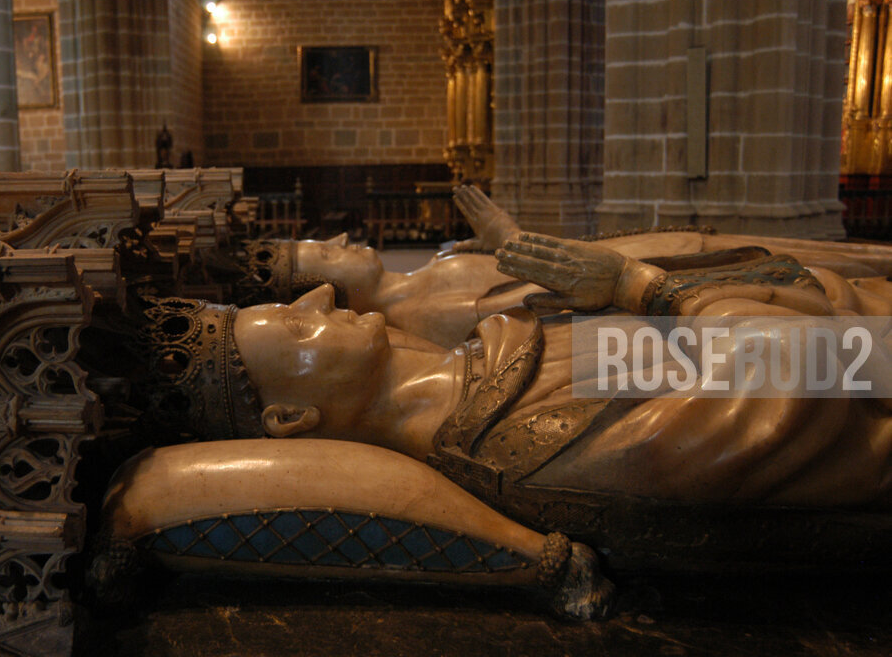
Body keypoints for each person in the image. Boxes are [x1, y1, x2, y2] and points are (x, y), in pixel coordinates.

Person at [99, 233, 892, 615]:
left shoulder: (491, 360)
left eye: (296, 302)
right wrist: (644, 287)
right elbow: (815, 371)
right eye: (298, 330)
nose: (321, 303)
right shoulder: (535, 454)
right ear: (289, 417)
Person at [229, 186, 892, 348]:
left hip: (661, 259)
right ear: (321, 289)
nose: (343, 238)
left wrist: (501, 238)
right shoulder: (431, 316)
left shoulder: (436, 265)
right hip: (683, 295)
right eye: (323, 251)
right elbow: (573, 303)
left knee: (843, 268)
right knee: (838, 293)